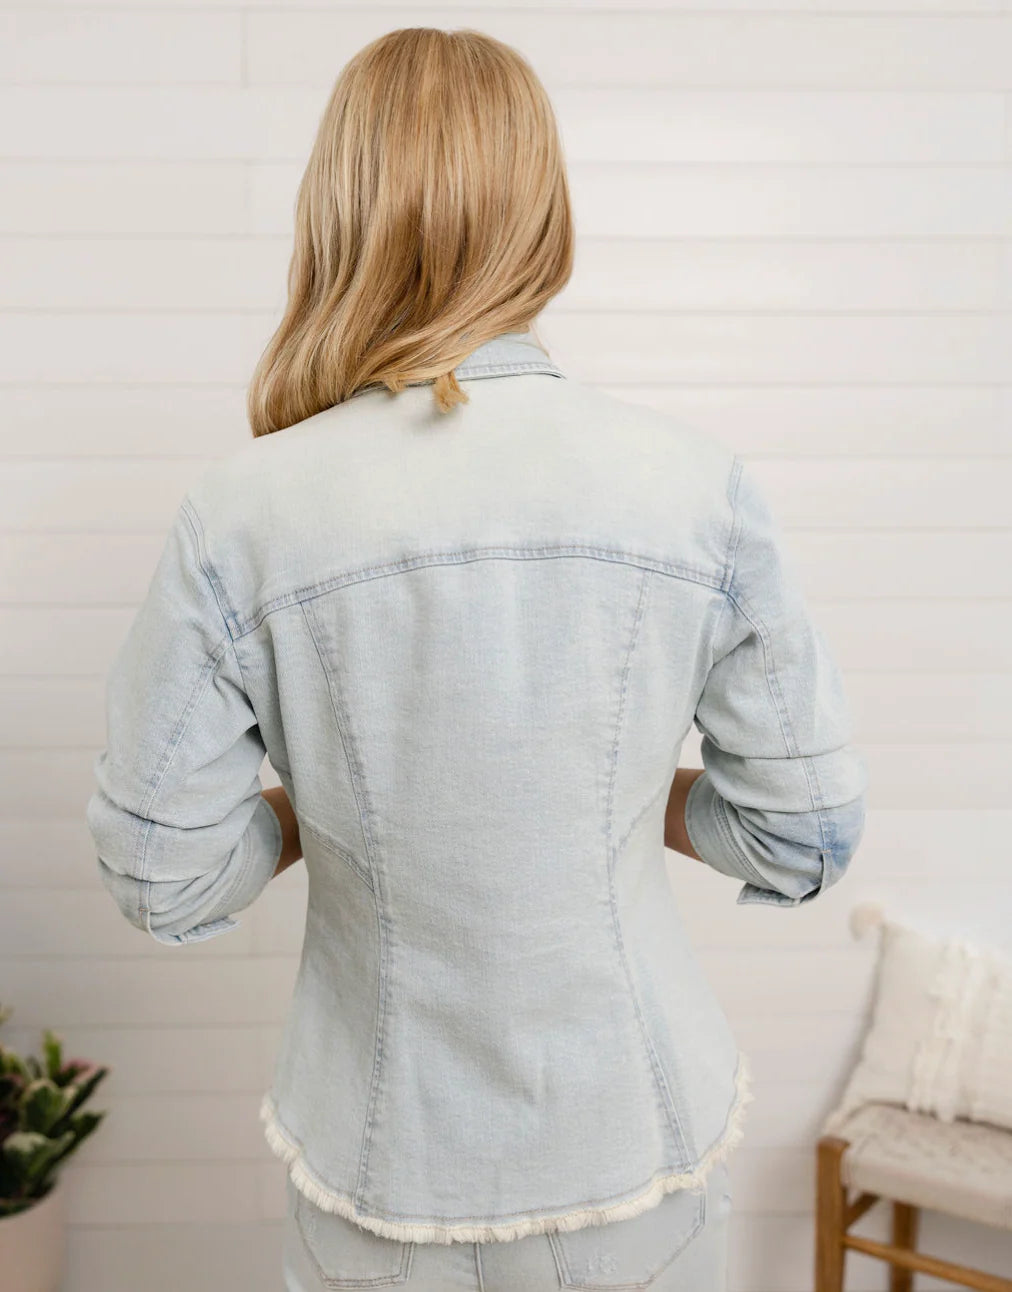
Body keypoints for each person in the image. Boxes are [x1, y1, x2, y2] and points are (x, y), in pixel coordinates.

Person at [85, 26, 868, 1292]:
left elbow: (161, 872)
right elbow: (802, 833)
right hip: (635, 1142)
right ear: (542, 217)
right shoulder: (694, 489)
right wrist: (613, 801)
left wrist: (338, 811)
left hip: (379, 1163)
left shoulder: (243, 514)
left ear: (336, 210)